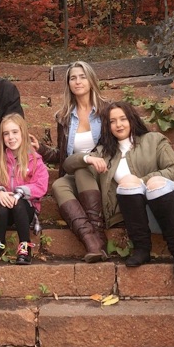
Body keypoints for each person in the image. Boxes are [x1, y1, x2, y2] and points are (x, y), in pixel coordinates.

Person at [63, 101, 174, 277]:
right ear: (107, 126)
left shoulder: (154, 140)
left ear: (132, 119)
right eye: (112, 121)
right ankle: (142, 249)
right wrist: (88, 158)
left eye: (123, 119)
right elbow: (68, 165)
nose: (118, 125)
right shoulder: (105, 153)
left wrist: (143, 181)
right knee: (127, 184)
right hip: (147, 218)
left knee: (154, 182)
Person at [32, 61, 109, 262]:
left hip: (101, 171)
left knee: (83, 169)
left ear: (91, 80)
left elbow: (115, 146)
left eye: (82, 76)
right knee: (58, 183)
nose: (78, 81)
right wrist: (39, 148)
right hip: (74, 170)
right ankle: (91, 240)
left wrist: (92, 159)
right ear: (68, 84)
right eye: (73, 78)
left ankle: (98, 236)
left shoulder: (106, 111)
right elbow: (62, 156)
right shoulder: (65, 117)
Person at [0, 114, 49, 265]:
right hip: (5, 213)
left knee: (18, 203)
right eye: (6, 134)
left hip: (26, 209)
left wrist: (20, 192)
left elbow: (41, 185)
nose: (10, 137)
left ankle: (25, 245)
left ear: (23, 133)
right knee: (1, 202)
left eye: (14, 132)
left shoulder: (35, 160)